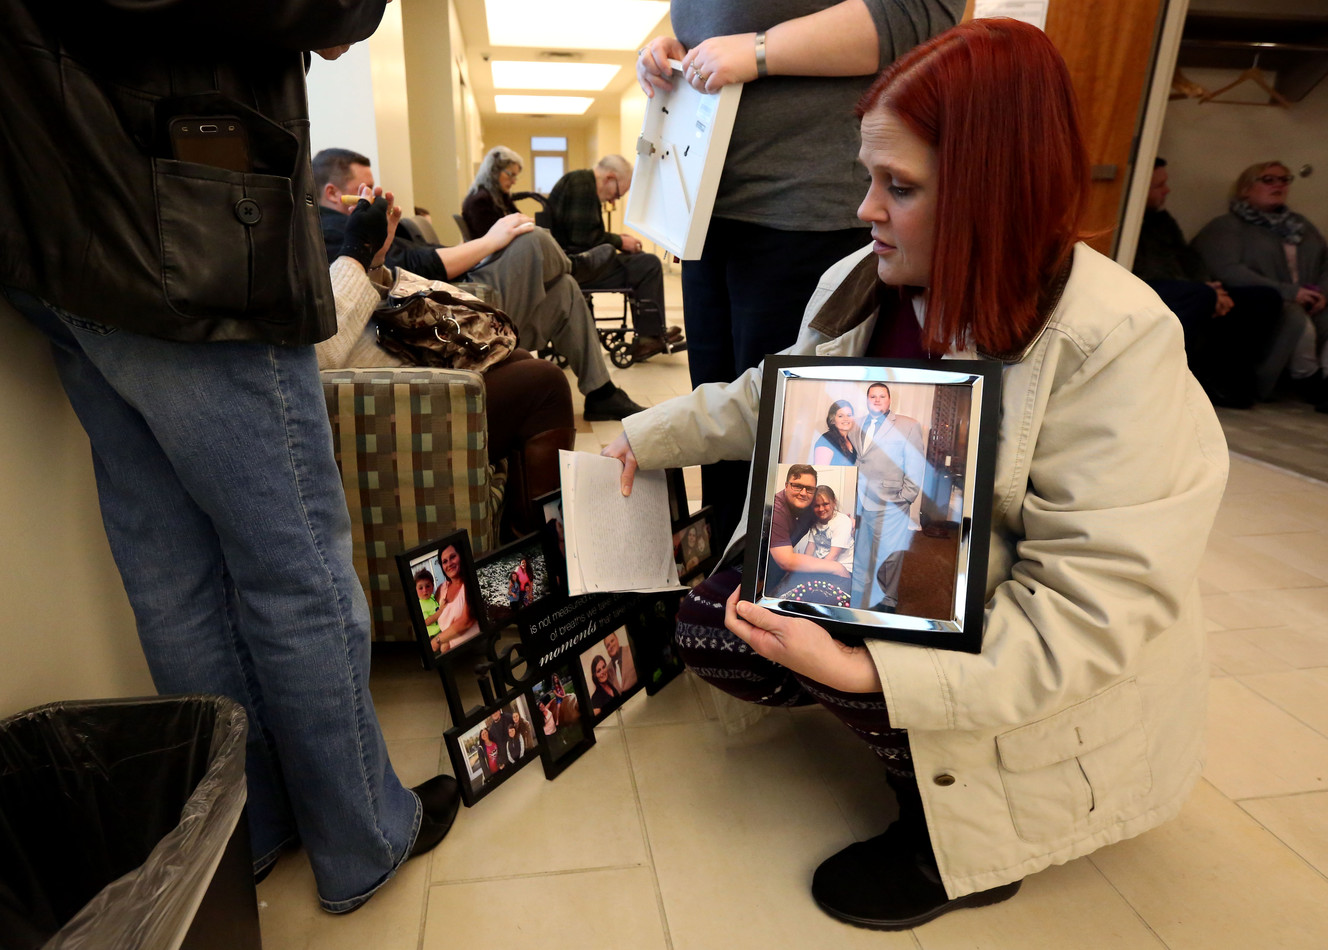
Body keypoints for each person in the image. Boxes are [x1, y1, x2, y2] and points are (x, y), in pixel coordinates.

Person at [605, 19, 1226, 929]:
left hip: (1015, 631)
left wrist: (872, 675)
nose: (866, 208)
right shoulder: (871, 278)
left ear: (992, 193)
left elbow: (1090, 606)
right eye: (869, 177)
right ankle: (900, 717)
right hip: (901, 560)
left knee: (842, 652)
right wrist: (647, 434)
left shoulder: (1114, 342)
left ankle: (956, 847)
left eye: (899, 186)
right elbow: (776, 392)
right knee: (714, 629)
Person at [0, 0, 464, 914]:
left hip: (52, 228)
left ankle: (242, 833)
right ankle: (360, 839)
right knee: (293, 563)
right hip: (188, 226)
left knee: (170, 566)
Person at [636, 0, 963, 547]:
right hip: (709, 212)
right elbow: (731, 410)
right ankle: (725, 591)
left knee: (786, 444)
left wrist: (759, 51)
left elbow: (918, 12)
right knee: (730, 439)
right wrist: (682, 61)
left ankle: (778, 595)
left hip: (805, 214)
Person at [315, 148, 645, 422]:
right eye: (365, 189)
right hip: (451, 302)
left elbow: (413, 260)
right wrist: (490, 242)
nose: (375, 198)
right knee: (534, 241)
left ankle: (601, 393)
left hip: (459, 289)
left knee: (566, 289)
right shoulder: (338, 234)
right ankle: (576, 263)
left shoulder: (365, 228)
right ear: (333, 193)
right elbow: (414, 269)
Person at [1133, 158, 1290, 407]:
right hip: (1147, 289)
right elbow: (1143, 270)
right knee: (1199, 296)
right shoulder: (1130, 219)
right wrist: (1206, 290)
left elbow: (1189, 258)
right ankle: (1171, 381)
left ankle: (1223, 382)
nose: (1167, 190)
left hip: (1191, 287)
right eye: (1159, 186)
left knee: (1263, 298)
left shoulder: (1162, 220)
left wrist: (1211, 287)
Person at [1193, 160, 1328, 410]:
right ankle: (1309, 380)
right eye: (1268, 180)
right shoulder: (1227, 227)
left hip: (1309, 297)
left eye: (1284, 179)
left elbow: (1325, 261)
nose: (1278, 185)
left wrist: (1322, 293)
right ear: (1246, 188)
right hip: (1271, 300)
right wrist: (1290, 292)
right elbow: (1229, 271)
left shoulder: (1302, 226)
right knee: (1296, 320)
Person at [545, 155, 682, 362]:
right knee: (648, 264)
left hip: (572, 262)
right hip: (579, 267)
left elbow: (584, 234)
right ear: (609, 178)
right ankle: (648, 337)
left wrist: (619, 240)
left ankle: (651, 331)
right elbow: (583, 239)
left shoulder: (578, 181)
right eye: (617, 194)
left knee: (640, 260)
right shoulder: (582, 185)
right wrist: (619, 241)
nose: (613, 200)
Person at [853, 382, 924, 611]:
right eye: (872, 396)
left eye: (881, 396)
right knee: (863, 551)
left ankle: (888, 599)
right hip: (862, 499)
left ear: (889, 400)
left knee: (890, 555)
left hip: (892, 501)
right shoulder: (858, 424)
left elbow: (916, 464)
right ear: (867, 400)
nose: (876, 399)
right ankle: (862, 594)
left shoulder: (908, 425)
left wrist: (906, 496)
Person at [796, 486, 854, 581]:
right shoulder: (815, 521)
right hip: (824, 567)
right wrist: (803, 568)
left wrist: (814, 571)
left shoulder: (842, 521)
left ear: (834, 502)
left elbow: (833, 556)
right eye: (816, 505)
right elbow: (810, 548)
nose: (821, 509)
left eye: (825, 504)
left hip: (843, 570)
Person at [432, 543, 480, 654]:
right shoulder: (441, 589)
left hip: (471, 651)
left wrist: (437, 640)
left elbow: (466, 622)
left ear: (461, 557)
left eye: (452, 557)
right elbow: (430, 614)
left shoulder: (470, 583)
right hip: (446, 652)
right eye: (444, 561)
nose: (449, 564)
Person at [812, 399, 858, 465]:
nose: (846, 419)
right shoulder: (827, 440)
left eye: (849, 415)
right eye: (840, 416)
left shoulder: (850, 440)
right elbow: (821, 471)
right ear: (833, 420)